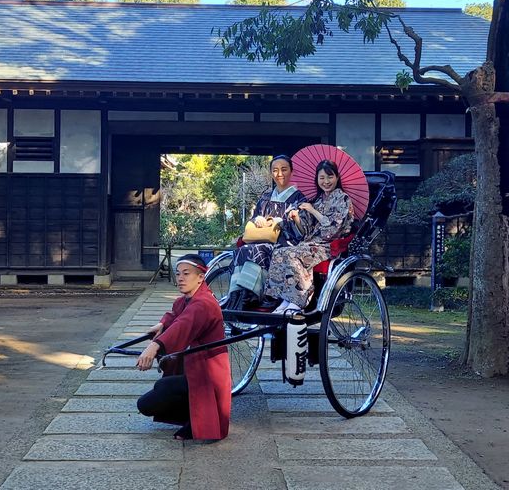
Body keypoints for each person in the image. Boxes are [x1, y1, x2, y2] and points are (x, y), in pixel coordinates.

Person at [136, 254, 231, 441]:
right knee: (160, 389)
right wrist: (163, 324)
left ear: (201, 277)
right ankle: (192, 419)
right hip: (194, 367)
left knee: (150, 399)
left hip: (207, 374)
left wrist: (154, 346)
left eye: (186, 274)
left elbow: (184, 324)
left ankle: (195, 423)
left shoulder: (204, 303)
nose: (180, 278)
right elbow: (176, 315)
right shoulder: (186, 300)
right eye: (178, 274)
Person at [262, 160, 355, 313]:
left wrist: (312, 211)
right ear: (317, 180)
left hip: (328, 246)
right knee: (279, 252)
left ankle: (299, 299)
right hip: (310, 243)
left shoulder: (343, 199)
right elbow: (305, 231)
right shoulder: (318, 201)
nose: (326, 182)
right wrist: (296, 218)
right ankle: (285, 299)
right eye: (322, 178)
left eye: (329, 177)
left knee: (292, 254)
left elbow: (332, 230)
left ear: (337, 177)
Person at [225, 155, 306, 310]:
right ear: (270, 173)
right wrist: (258, 219)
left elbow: (303, 228)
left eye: (284, 169)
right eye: (275, 170)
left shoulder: (299, 198)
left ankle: (251, 294)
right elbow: (255, 216)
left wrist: (283, 222)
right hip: (261, 238)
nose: (279, 174)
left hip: (285, 240)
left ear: (291, 172)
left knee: (258, 250)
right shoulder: (266, 196)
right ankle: (236, 293)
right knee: (243, 250)